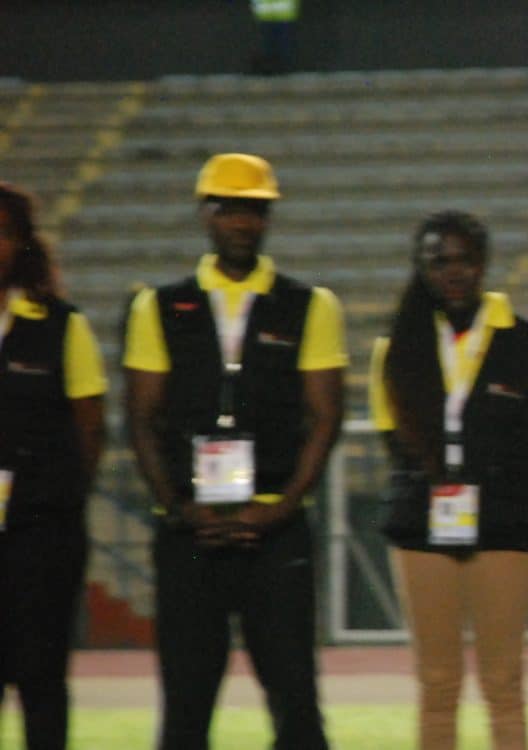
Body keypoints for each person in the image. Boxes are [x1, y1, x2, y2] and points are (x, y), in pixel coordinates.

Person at [124, 153, 343, 749]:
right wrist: (178, 508)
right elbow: (141, 418)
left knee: (297, 702)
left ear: (268, 218)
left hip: (275, 528)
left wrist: (281, 508)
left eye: (254, 210)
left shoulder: (310, 305)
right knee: (185, 706)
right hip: (190, 531)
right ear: (206, 213)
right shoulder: (158, 307)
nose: (243, 223)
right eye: (229, 209)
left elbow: (325, 418)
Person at [368, 211, 528, 750]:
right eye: (439, 261)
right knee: (437, 684)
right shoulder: (395, 348)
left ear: (483, 263)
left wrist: (502, 497)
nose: (453, 272)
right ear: (421, 267)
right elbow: (395, 442)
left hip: (504, 528)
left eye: (464, 260)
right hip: (422, 527)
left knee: (504, 683)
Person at [0, 182, 107, 750]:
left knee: (41, 679)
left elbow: (90, 428)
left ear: (23, 243)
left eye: (2, 232)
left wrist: (53, 503)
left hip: (42, 535)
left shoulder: (62, 325)